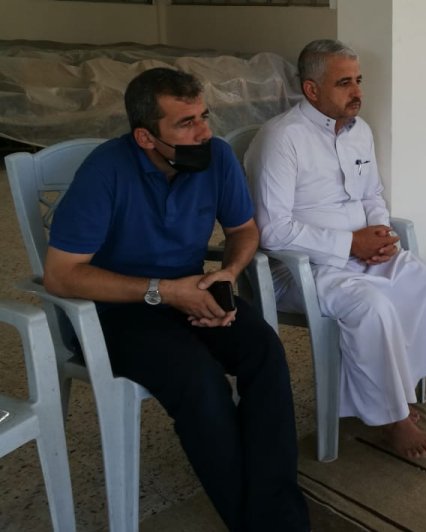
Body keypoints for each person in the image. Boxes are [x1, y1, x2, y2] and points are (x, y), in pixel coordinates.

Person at [43, 68, 308, 531]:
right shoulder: (106, 171)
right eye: (186, 123)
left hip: (190, 290)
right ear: (145, 137)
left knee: (264, 350)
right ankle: (266, 524)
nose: (203, 132)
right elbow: (61, 276)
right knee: (198, 379)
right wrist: (164, 292)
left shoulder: (216, 157)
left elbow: (244, 230)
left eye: (204, 116)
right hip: (112, 313)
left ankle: (275, 512)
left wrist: (226, 274)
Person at [245, 40, 426, 459]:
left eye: (358, 80)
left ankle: (399, 390)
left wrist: (379, 235)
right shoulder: (282, 138)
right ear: (311, 90)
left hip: (359, 254)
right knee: (372, 307)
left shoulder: (361, 131)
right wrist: (350, 244)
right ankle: (391, 419)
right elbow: (273, 231)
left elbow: (372, 194)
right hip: (301, 267)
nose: (357, 91)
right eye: (344, 83)